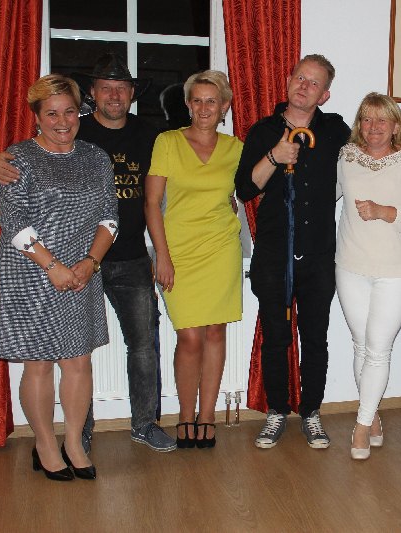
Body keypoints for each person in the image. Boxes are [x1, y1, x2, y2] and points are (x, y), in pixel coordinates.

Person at [0, 53, 177, 453]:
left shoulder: (150, 135)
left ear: (132, 94)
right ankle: (80, 435)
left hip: (125, 256)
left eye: (122, 88)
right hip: (64, 263)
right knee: (67, 357)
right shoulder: (73, 128)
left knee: (142, 344)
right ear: (92, 94)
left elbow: (162, 190)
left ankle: (144, 423)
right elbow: (23, 178)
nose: (114, 95)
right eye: (106, 88)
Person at [0, 74, 118, 481]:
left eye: (69, 112)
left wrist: (90, 263)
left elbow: (109, 217)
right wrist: (53, 267)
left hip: (81, 271)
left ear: (79, 113)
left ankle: (75, 443)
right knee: (40, 363)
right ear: (37, 117)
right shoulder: (17, 158)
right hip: (31, 272)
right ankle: (45, 444)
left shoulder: (96, 158)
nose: (62, 121)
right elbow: (15, 223)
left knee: (79, 361)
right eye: (51, 113)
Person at [235, 54, 351, 449]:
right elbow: (244, 189)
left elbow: (372, 158)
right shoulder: (263, 130)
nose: (304, 86)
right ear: (288, 80)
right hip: (274, 255)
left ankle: (312, 412)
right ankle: (276, 411)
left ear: (325, 94)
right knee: (276, 337)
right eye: (300, 77)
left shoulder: (335, 131)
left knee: (315, 337)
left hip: (319, 255)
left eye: (314, 82)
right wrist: (274, 156)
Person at [145, 70, 243, 449]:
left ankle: (207, 416)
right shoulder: (168, 142)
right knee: (188, 338)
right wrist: (162, 256)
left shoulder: (236, 148)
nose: (204, 108)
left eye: (211, 101)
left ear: (224, 107)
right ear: (188, 105)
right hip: (178, 251)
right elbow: (152, 203)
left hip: (221, 249)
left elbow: (250, 188)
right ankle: (185, 415)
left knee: (216, 332)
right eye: (197, 100)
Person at [337, 93, 401, 460]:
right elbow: (327, 193)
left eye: (381, 120)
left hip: (396, 270)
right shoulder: (347, 156)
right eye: (366, 119)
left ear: (396, 126)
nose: (373, 127)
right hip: (350, 264)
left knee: (378, 347)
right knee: (361, 345)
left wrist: (383, 211)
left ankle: (361, 426)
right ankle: (372, 415)